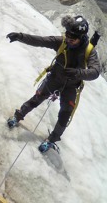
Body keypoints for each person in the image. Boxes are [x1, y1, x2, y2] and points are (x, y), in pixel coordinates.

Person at [6, 15, 101, 153]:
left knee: (65, 114)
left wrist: (78, 73)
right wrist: (20, 36)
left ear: (81, 37)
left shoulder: (89, 51)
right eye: (67, 36)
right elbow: (40, 41)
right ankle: (18, 116)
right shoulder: (62, 42)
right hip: (55, 78)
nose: (68, 40)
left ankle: (51, 140)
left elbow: (95, 71)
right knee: (37, 99)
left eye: (72, 38)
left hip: (71, 86)